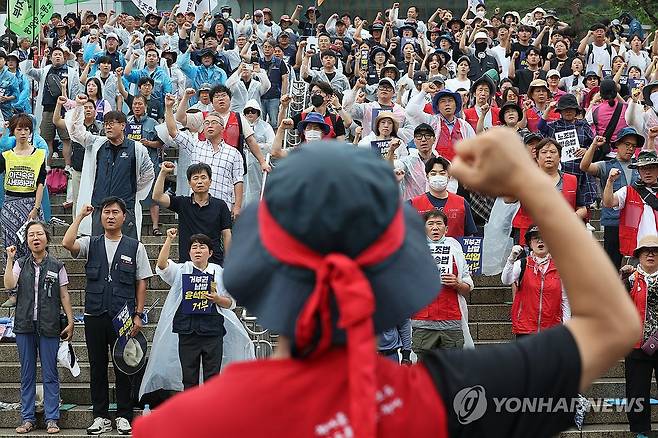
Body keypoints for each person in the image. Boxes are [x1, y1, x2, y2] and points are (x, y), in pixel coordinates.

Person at [133, 129, 641, 437]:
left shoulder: (178, 428)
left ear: (264, 277)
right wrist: (532, 182)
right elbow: (613, 324)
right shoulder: (448, 399)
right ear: (393, 279)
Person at [61, 198, 152, 436]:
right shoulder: (91, 243)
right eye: (106, 212)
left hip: (123, 316)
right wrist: (80, 216)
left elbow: (141, 283)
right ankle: (100, 416)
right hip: (94, 313)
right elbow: (67, 243)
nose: (110, 216)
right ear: (100, 217)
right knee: (97, 367)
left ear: (124, 217)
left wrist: (138, 314)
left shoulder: (135, 246)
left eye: (115, 212)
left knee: (124, 367)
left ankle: (123, 416)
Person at [4, 221, 73, 435]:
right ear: (27, 240)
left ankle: (52, 418)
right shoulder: (20, 264)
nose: (36, 238)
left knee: (50, 373)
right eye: (31, 234)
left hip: (50, 325)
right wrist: (9, 259)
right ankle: (28, 418)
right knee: (27, 373)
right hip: (24, 325)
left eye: (39, 234)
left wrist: (70, 320)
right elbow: (8, 285)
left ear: (46, 238)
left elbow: (64, 294)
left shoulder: (57, 265)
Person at [155, 229, 236, 389]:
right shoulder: (181, 270)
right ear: (189, 252)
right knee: (189, 377)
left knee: (213, 378)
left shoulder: (219, 273)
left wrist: (218, 299)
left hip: (213, 331)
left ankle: (211, 412)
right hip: (187, 331)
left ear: (210, 252)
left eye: (202, 247)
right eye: (194, 247)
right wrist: (169, 239)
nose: (198, 250)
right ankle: (190, 413)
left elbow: (231, 303)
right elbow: (162, 265)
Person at [65, 94, 155, 239]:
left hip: (126, 208)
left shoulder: (137, 148)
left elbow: (149, 173)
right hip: (100, 208)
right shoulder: (97, 143)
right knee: (99, 251)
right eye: (106, 123)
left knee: (126, 253)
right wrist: (79, 107)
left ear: (123, 126)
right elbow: (75, 132)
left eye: (112, 123)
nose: (108, 126)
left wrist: (133, 191)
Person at [165, 94, 244, 217]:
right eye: (206, 123)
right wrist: (169, 108)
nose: (209, 125)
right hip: (197, 207)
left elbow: (238, 181)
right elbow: (173, 131)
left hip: (223, 207)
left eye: (213, 123)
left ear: (222, 128)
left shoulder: (234, 153)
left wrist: (238, 206)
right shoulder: (195, 146)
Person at [413, 209, 474, 357]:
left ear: (446, 229)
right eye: (431, 224)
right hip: (422, 322)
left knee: (452, 371)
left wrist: (457, 284)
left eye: (439, 224)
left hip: (451, 321)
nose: (435, 227)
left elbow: (468, 287)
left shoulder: (456, 251)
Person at [0, 114, 47, 305]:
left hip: (31, 205)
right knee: (11, 247)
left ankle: (37, 291)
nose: (22, 132)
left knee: (36, 247)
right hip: (10, 205)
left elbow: (41, 183)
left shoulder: (39, 154)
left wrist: (36, 207)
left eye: (26, 129)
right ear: (13, 131)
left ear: (30, 131)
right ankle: (13, 293)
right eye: (19, 129)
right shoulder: (6, 155)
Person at [580, 127, 643, 268]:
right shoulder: (606, 166)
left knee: (635, 263)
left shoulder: (639, 167)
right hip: (613, 222)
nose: (630, 149)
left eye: (633, 146)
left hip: (634, 222)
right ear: (617, 145)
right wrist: (594, 145)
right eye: (627, 144)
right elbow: (584, 166)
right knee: (612, 263)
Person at [153, 162, 232, 266]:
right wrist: (163, 172)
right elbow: (157, 197)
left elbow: (226, 234)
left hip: (214, 263)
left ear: (210, 181)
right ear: (189, 183)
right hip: (188, 264)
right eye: (195, 178)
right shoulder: (182, 203)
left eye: (203, 177)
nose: (200, 181)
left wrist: (230, 261)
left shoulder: (220, 205)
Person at [511, 138, 587, 245]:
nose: (548, 156)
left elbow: (582, 208)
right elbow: (509, 199)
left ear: (560, 157)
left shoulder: (572, 179)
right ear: (537, 158)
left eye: (553, 152)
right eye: (544, 152)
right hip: (531, 235)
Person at [502, 226, 570, 337]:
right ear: (530, 243)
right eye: (535, 238)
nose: (540, 241)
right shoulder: (522, 264)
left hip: (552, 329)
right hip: (525, 329)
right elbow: (506, 280)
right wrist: (511, 259)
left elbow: (565, 300)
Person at [621, 236, 658, 438]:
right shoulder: (631, 280)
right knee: (636, 391)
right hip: (636, 345)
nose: (650, 254)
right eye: (646, 250)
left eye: (655, 251)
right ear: (638, 256)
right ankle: (640, 430)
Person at [21, 46, 81, 164]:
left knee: (66, 139)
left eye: (60, 54)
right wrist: (30, 56)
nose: (57, 56)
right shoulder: (45, 70)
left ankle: (68, 166)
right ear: (51, 57)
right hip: (47, 109)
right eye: (55, 54)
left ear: (64, 57)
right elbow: (28, 71)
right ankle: (47, 166)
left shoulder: (71, 72)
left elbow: (75, 92)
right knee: (46, 139)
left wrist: (73, 108)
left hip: (65, 111)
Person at [603, 150, 658, 258]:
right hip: (635, 251)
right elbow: (608, 203)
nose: (647, 172)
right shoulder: (627, 191)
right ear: (638, 170)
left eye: (651, 168)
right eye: (643, 168)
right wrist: (610, 181)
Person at [410, 156, 477, 238]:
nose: (438, 176)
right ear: (427, 177)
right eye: (433, 173)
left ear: (449, 177)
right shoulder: (413, 204)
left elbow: (470, 236)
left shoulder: (462, 203)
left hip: (456, 249)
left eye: (442, 173)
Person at [126, 95, 164, 235]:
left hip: (150, 164)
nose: (137, 106)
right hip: (130, 164)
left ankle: (155, 226)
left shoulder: (153, 123)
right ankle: (131, 225)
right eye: (135, 104)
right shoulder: (127, 122)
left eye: (140, 104)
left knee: (154, 196)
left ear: (145, 106)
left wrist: (148, 143)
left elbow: (161, 142)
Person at [407, 85, 476, 161]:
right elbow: (411, 111)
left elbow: (474, 149)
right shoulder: (431, 121)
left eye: (450, 101)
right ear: (437, 107)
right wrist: (423, 92)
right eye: (443, 101)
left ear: (456, 105)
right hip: (436, 169)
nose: (447, 104)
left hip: (459, 169)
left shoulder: (464, 126)